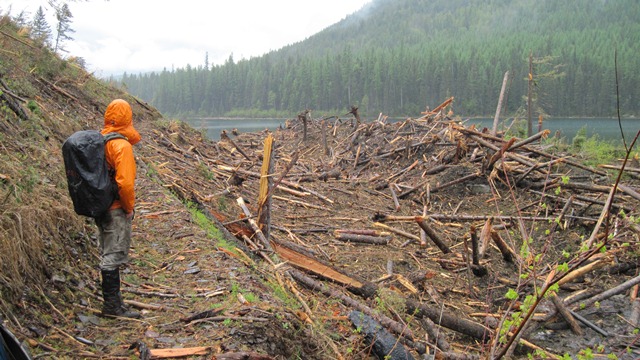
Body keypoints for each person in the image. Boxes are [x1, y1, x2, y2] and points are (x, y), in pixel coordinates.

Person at [96, 99, 142, 319]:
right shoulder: (121, 145)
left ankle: (115, 304)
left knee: (107, 252)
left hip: (101, 207)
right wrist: (129, 208)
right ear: (127, 117)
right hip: (115, 208)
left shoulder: (101, 140)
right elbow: (125, 183)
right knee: (113, 256)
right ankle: (112, 307)